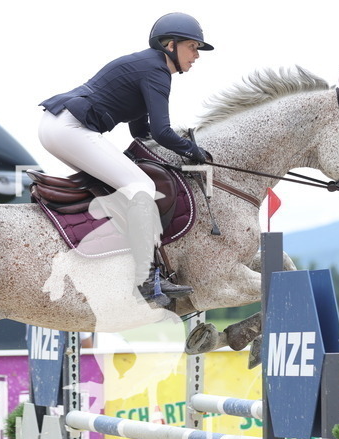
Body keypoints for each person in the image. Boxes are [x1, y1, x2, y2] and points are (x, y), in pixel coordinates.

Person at [38, 12, 213, 308]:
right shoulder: (157, 71)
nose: (196, 55)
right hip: (70, 128)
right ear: (170, 44)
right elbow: (162, 131)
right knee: (141, 187)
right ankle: (146, 279)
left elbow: (140, 129)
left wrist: (172, 152)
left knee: (125, 185)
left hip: (58, 126)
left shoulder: (148, 65)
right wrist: (194, 153)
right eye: (192, 47)